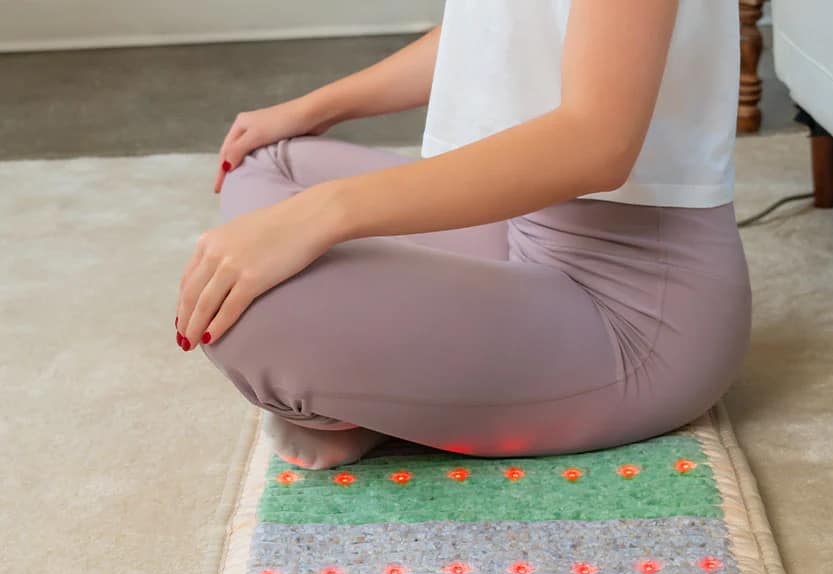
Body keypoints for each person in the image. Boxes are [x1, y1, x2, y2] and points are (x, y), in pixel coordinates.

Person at [173, 0, 752, 470]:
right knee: (265, 158)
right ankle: (404, 391)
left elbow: (597, 144)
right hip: (517, 230)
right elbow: (490, 31)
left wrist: (321, 216)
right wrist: (313, 107)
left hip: (634, 313)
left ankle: (392, 402)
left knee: (252, 320)